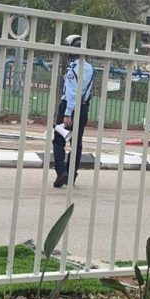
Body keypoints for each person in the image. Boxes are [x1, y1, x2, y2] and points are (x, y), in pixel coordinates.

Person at [52, 34, 94, 188]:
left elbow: (71, 92)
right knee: (76, 143)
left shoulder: (72, 69)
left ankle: (61, 171)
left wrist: (67, 113)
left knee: (59, 141)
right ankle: (71, 174)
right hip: (83, 107)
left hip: (69, 108)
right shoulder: (90, 68)